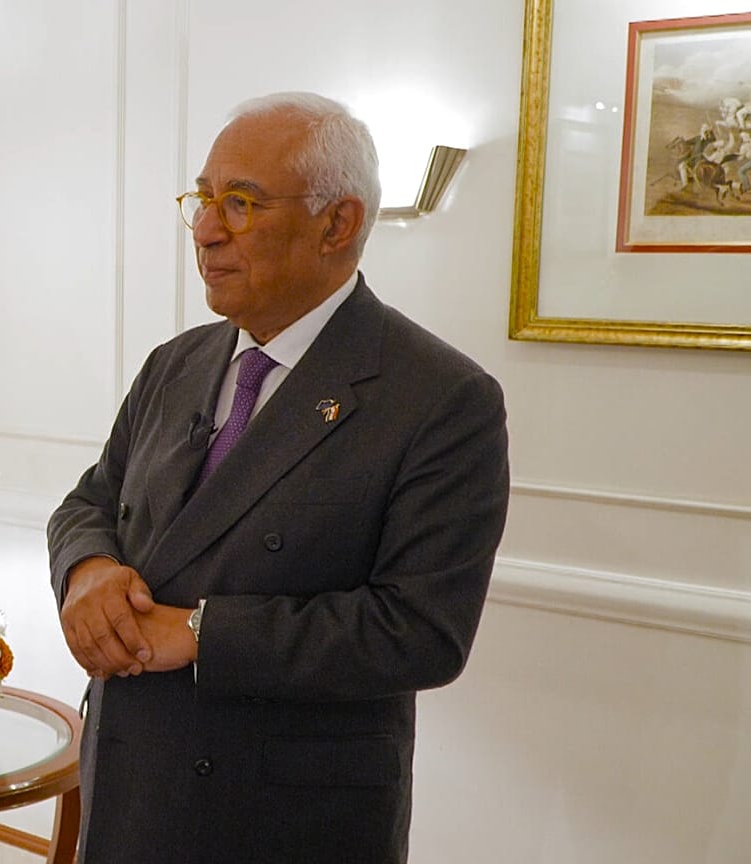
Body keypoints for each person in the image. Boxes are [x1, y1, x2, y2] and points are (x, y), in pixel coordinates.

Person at [46, 92, 510, 863]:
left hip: (285, 815)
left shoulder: (439, 397)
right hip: (132, 781)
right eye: (202, 198)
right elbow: (92, 499)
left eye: (241, 202)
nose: (205, 230)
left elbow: (421, 632)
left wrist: (199, 634)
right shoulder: (178, 362)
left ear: (340, 223)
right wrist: (88, 569)